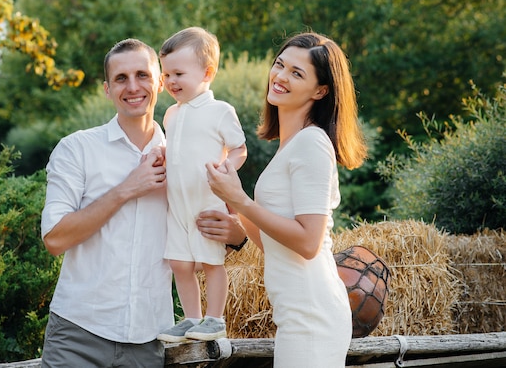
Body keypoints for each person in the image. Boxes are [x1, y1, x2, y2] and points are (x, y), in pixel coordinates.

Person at [39, 37, 249, 367]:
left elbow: (219, 236)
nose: (133, 86)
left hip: (149, 339)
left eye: (143, 75)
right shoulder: (76, 149)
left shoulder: (184, 156)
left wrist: (236, 235)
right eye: (121, 78)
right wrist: (126, 189)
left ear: (160, 83)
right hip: (78, 333)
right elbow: (54, 238)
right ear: (107, 89)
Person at [199, 32, 368, 367]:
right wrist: (238, 216)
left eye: (297, 73)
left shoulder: (312, 144)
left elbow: (307, 242)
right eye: (280, 65)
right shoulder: (291, 145)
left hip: (313, 313)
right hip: (297, 311)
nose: (280, 76)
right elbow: (278, 245)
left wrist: (242, 201)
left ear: (320, 91)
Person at [156, 27, 248, 343]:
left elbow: (240, 148)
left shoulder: (219, 111)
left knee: (210, 260)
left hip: (206, 200)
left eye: (179, 73)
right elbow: (180, 150)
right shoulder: (170, 114)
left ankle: (215, 319)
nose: (170, 81)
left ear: (207, 72)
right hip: (177, 202)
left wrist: (226, 169)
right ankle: (191, 317)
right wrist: (163, 155)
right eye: (166, 74)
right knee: (180, 263)